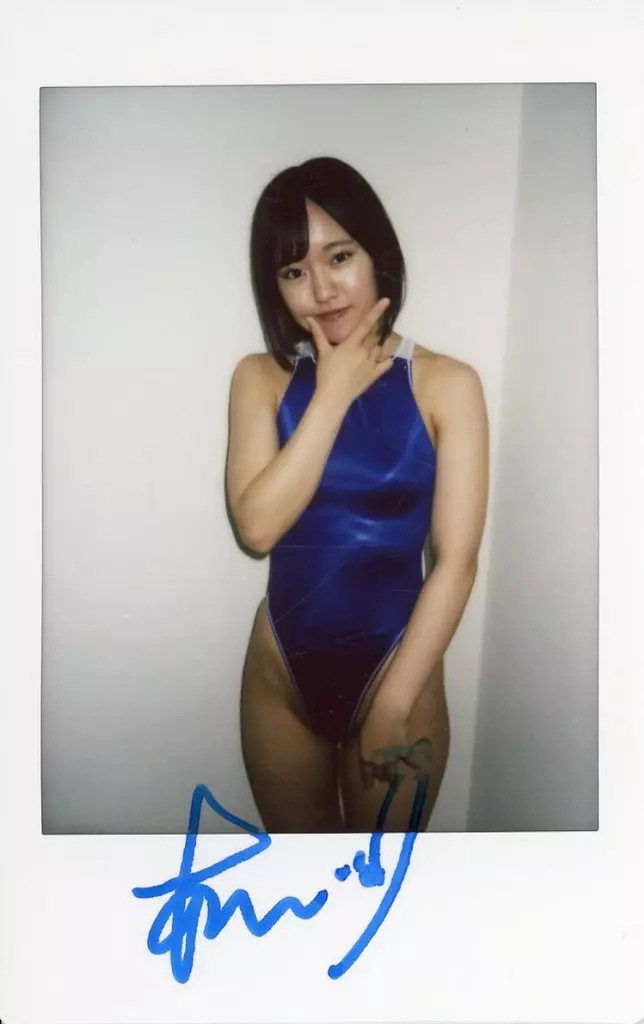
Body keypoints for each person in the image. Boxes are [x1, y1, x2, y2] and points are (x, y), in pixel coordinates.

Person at [226, 156, 488, 833]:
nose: (321, 289)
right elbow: (257, 528)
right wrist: (334, 392)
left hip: (401, 675)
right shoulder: (260, 378)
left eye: (339, 256)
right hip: (280, 680)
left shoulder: (448, 384)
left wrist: (394, 704)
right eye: (293, 271)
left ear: (379, 256)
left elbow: (456, 561)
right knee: (298, 878)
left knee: (382, 885)